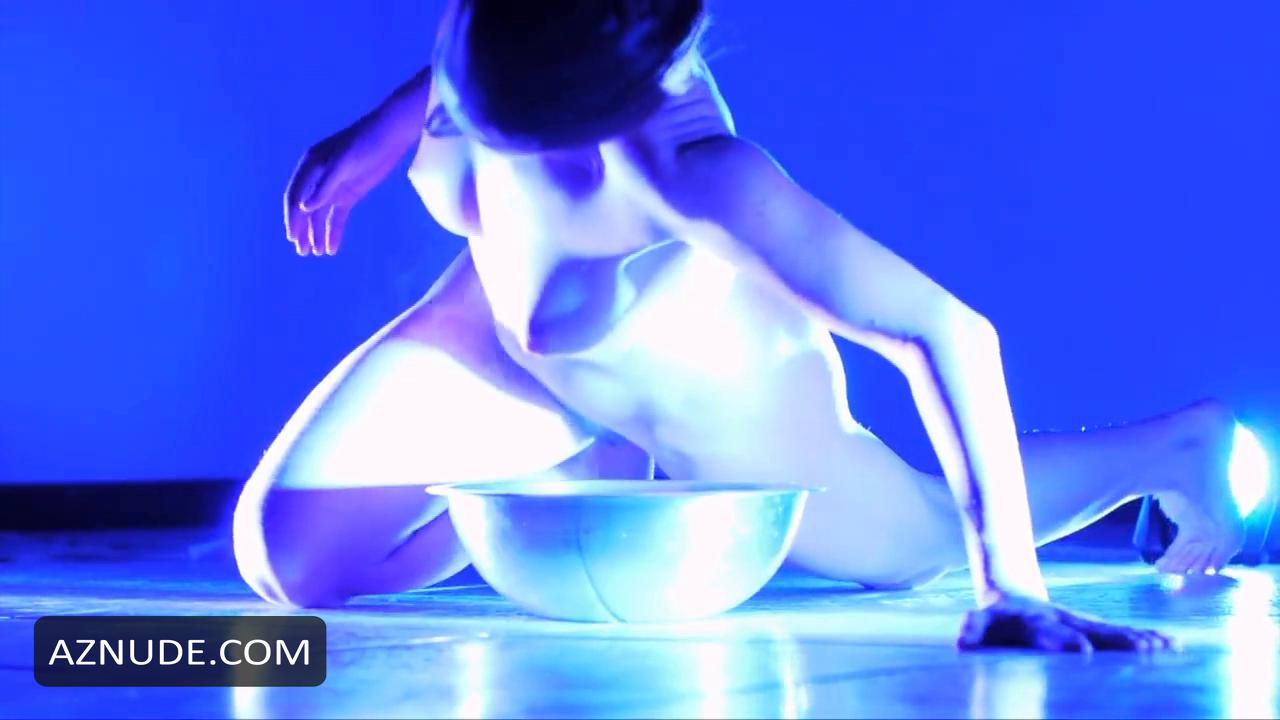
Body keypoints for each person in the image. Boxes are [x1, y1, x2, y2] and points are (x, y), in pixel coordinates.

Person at [233, 0, 1246, 651]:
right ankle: (585, 467)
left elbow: (949, 334)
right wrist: (380, 131)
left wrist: (1009, 590)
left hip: (709, 386)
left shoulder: (695, 172)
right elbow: (473, 68)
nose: (453, 115)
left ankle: (1172, 447)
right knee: (290, 561)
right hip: (504, 331)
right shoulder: (497, 26)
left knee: (917, 539)